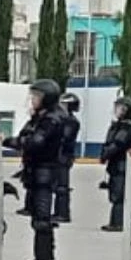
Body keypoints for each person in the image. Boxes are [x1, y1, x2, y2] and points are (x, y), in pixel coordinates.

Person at [4, 80, 69, 260]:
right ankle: (39, 258)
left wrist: (12, 141)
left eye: (37, 96)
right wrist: (14, 140)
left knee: (42, 218)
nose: (32, 100)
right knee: (36, 216)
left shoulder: (52, 119)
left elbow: (34, 142)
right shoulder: (39, 117)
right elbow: (24, 136)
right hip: (34, 171)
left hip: (45, 172)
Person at [99, 96, 131, 232]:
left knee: (119, 195)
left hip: (122, 165)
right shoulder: (118, 125)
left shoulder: (127, 127)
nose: (118, 111)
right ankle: (116, 221)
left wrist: (106, 154)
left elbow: (118, 144)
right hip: (116, 165)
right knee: (115, 193)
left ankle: (118, 222)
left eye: (121, 108)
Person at [55, 93, 81, 223]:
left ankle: (63, 213)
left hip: (64, 156)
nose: (61, 107)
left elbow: (64, 138)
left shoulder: (71, 121)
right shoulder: (63, 119)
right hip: (59, 155)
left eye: (64, 104)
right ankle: (58, 211)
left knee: (62, 186)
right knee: (57, 186)